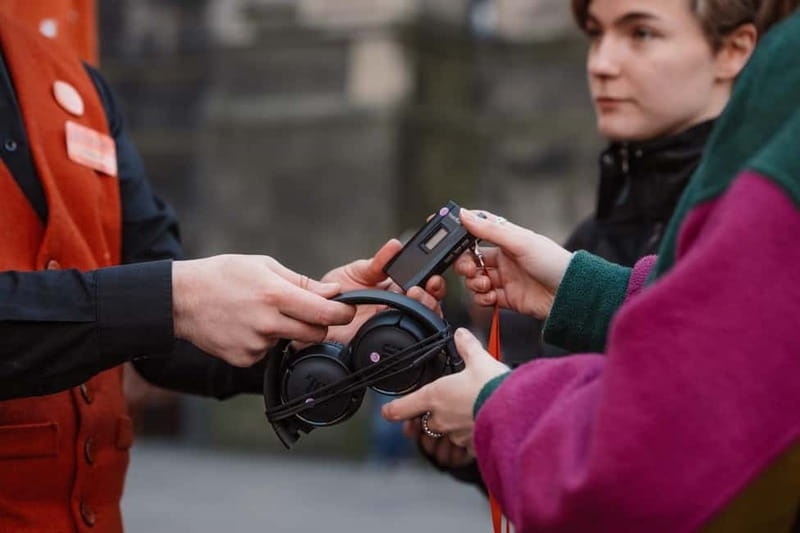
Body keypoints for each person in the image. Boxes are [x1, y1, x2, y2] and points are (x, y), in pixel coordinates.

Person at [0, 13, 444, 532]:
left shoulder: (73, 81)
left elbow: (157, 322)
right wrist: (174, 299)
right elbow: (162, 300)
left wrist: (310, 324)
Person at [384, 3, 800, 531]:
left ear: (738, 51)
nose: (601, 63)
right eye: (594, 35)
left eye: (642, 34)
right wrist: (480, 439)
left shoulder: (763, 184)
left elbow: (648, 456)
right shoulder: (587, 239)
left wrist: (498, 409)